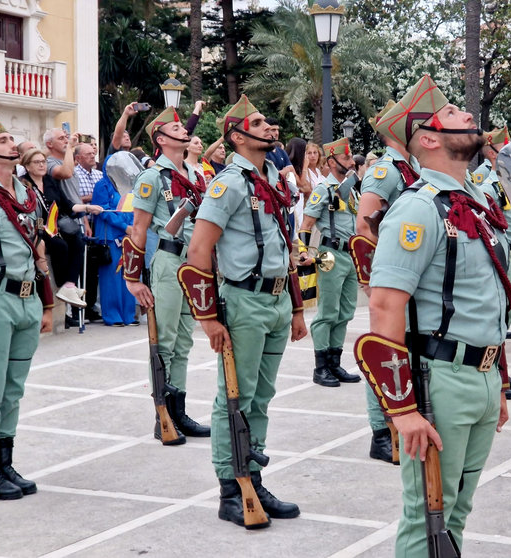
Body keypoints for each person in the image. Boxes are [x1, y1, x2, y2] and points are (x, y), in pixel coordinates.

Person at [356, 75, 510, 556]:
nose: (468, 115)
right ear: (427, 138)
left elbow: (488, 298)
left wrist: (498, 380)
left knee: (457, 510)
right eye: (452, 115)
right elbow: (384, 307)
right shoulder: (417, 209)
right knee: (428, 513)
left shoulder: (478, 205)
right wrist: (401, 409)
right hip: (438, 377)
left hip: (479, 375)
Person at [177, 95, 307, 528]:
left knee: (262, 397)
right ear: (237, 136)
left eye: (269, 122)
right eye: (258, 123)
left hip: (274, 300)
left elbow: (284, 249)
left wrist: (296, 309)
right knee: (235, 396)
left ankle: (254, 478)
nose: (270, 127)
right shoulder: (229, 183)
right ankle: (231, 489)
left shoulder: (270, 178)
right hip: (243, 300)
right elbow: (198, 251)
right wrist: (209, 316)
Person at [123, 106, 210, 444]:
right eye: (176, 127)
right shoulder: (152, 177)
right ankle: (163, 416)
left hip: (194, 264)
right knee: (166, 341)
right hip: (169, 262)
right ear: (161, 139)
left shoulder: (196, 174)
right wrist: (133, 278)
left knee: (185, 341)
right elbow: (139, 229)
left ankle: (180, 410)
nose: (184, 129)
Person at [0, 115, 53, 499]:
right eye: (6, 138)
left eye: (15, 139)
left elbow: (39, 249)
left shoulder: (27, 193)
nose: (15, 144)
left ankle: (4, 461)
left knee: (13, 390)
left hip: (27, 297)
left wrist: (47, 302)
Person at [353, 99, 421, 463]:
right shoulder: (387, 169)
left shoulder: (411, 169)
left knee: (404, 348)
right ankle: (381, 431)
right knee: (386, 350)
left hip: (408, 274)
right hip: (391, 273)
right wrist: (373, 274)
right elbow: (365, 222)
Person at [298, 137, 362, 387]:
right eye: (346, 158)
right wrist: (305, 252)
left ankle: (335, 363)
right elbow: (306, 224)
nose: (351, 161)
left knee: (345, 311)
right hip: (329, 254)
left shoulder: (352, 189)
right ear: (333, 161)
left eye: (350, 157)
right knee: (328, 312)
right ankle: (321, 366)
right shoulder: (323, 189)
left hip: (349, 254)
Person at [473, 126, 511, 399]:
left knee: (505, 322)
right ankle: (495, 374)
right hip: (504, 255)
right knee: (497, 319)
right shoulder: (487, 185)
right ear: (493, 153)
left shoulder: (510, 182)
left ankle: (502, 373)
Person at [20, 148, 102, 317]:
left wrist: (87, 207)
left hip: (55, 224)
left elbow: (67, 204)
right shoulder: (23, 184)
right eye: (37, 162)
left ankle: (69, 286)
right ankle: (62, 284)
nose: (42, 165)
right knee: (60, 245)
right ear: (27, 166)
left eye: (43, 161)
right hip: (37, 226)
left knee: (78, 242)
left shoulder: (50, 181)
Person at [91, 153, 137, 326]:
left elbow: (135, 207)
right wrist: (125, 227)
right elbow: (104, 211)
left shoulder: (129, 185)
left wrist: (132, 227)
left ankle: (129, 314)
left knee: (130, 274)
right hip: (110, 235)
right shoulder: (101, 185)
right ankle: (112, 315)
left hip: (130, 234)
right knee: (111, 276)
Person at [75, 142, 104, 321]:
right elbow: (75, 198)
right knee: (84, 267)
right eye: (88, 154)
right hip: (82, 223)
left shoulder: (100, 174)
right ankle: (81, 305)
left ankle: (92, 305)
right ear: (78, 158)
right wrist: (93, 198)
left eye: (93, 153)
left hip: (100, 224)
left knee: (95, 268)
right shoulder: (74, 174)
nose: (93, 156)